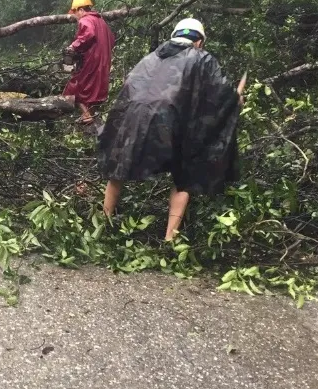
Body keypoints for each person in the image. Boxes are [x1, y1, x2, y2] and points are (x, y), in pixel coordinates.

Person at [98, 18, 245, 241]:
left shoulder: (150, 57)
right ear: (199, 42)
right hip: (170, 122)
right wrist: (235, 100)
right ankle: (170, 239)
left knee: (119, 168)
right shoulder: (201, 57)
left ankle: (102, 222)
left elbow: (129, 91)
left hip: (132, 119)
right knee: (185, 173)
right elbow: (219, 93)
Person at [62, 0, 115, 124]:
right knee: (96, 90)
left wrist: (73, 46)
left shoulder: (85, 20)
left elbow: (89, 34)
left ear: (80, 10)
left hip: (91, 61)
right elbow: (112, 40)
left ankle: (87, 116)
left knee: (75, 88)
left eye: (75, 12)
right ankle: (92, 115)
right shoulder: (101, 21)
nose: (75, 16)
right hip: (104, 62)